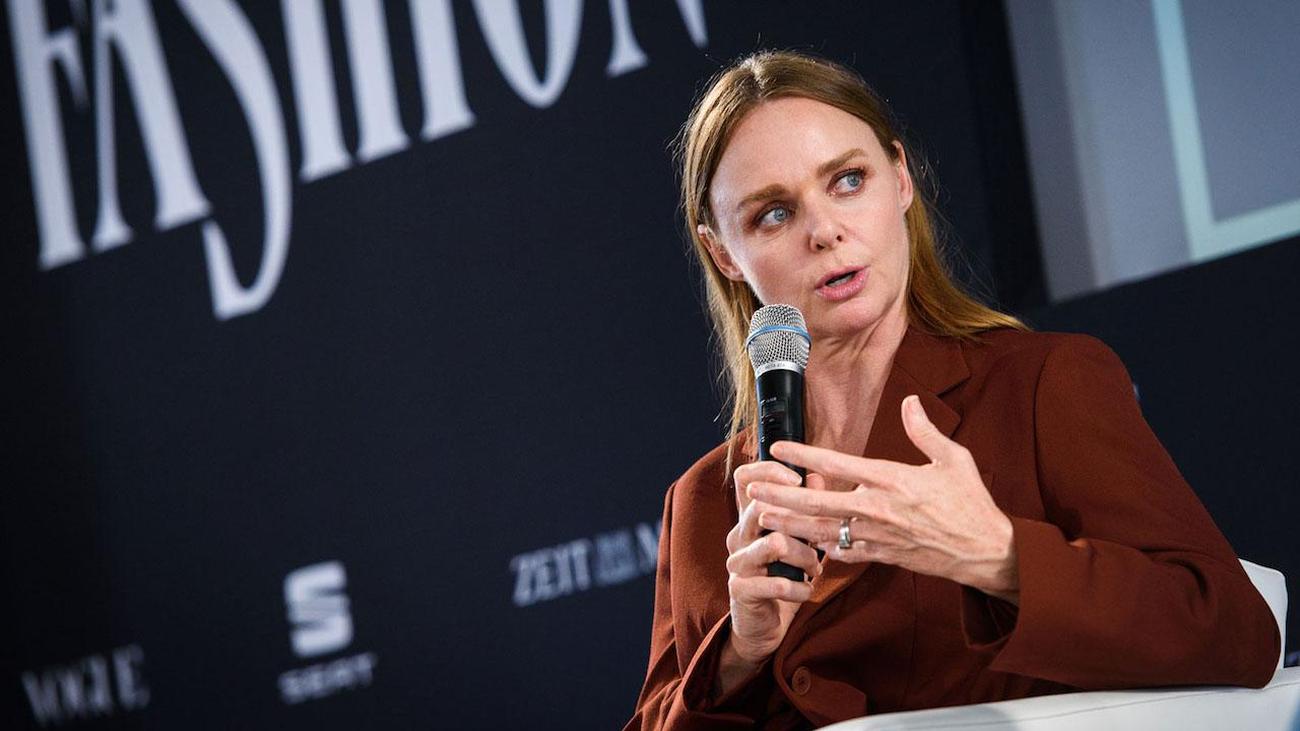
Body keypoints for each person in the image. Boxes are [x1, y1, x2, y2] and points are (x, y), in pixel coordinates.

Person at [625, 50, 1279, 730]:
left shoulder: (1040, 385)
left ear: (900, 179)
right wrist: (738, 655)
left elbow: (1235, 631)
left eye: (848, 180)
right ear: (723, 252)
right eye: (773, 214)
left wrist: (998, 555)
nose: (824, 231)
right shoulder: (703, 502)